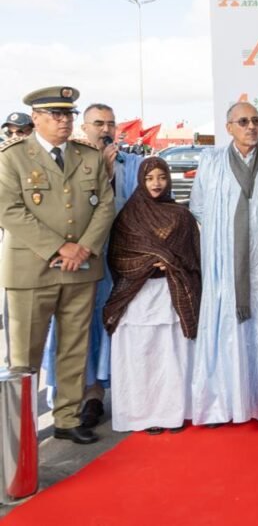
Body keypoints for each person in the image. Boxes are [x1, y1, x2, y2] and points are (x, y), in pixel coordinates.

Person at [0, 86, 115, 444]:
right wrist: (60, 247)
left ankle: (67, 418)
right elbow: (9, 209)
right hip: (31, 270)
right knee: (25, 356)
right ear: (36, 118)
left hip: (81, 268)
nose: (64, 121)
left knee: (74, 348)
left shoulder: (88, 156)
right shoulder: (13, 156)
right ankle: (19, 432)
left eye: (68, 114)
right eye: (56, 114)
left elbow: (105, 205)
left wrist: (84, 248)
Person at [189, 102, 258, 425]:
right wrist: (224, 242)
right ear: (229, 128)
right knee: (226, 331)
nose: (251, 126)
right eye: (243, 121)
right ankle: (222, 406)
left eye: (255, 121)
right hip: (226, 265)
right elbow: (199, 207)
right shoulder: (211, 162)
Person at [41, 102, 143, 429]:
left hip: (122, 262)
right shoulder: (69, 163)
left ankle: (113, 392)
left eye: (110, 124)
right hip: (81, 259)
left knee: (117, 324)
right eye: (98, 123)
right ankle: (85, 395)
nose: (105, 129)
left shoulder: (133, 164)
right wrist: (103, 175)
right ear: (84, 128)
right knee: (78, 329)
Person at [103, 157, 200, 433]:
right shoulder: (128, 216)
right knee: (142, 357)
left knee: (172, 357)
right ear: (140, 180)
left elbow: (193, 255)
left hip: (171, 296)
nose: (156, 183)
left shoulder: (181, 216)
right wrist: (150, 262)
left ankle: (174, 413)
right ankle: (143, 415)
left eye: (161, 177)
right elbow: (119, 257)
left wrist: (172, 262)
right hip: (138, 298)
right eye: (149, 178)